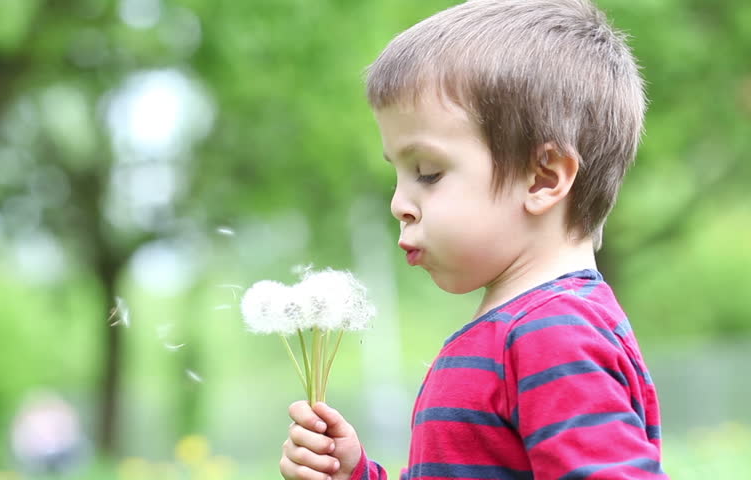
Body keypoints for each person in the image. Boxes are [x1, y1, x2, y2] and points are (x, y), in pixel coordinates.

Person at [280, 0, 668, 478]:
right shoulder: (513, 332)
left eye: (428, 172)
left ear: (542, 179)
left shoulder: (554, 337)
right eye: (398, 175)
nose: (399, 203)